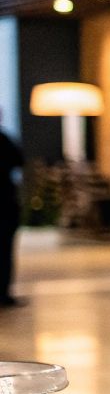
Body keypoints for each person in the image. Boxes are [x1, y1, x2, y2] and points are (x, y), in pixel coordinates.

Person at [0, 111, 22, 307]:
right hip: (4, 205)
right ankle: (3, 293)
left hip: (5, 205)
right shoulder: (4, 141)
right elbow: (19, 161)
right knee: (4, 253)